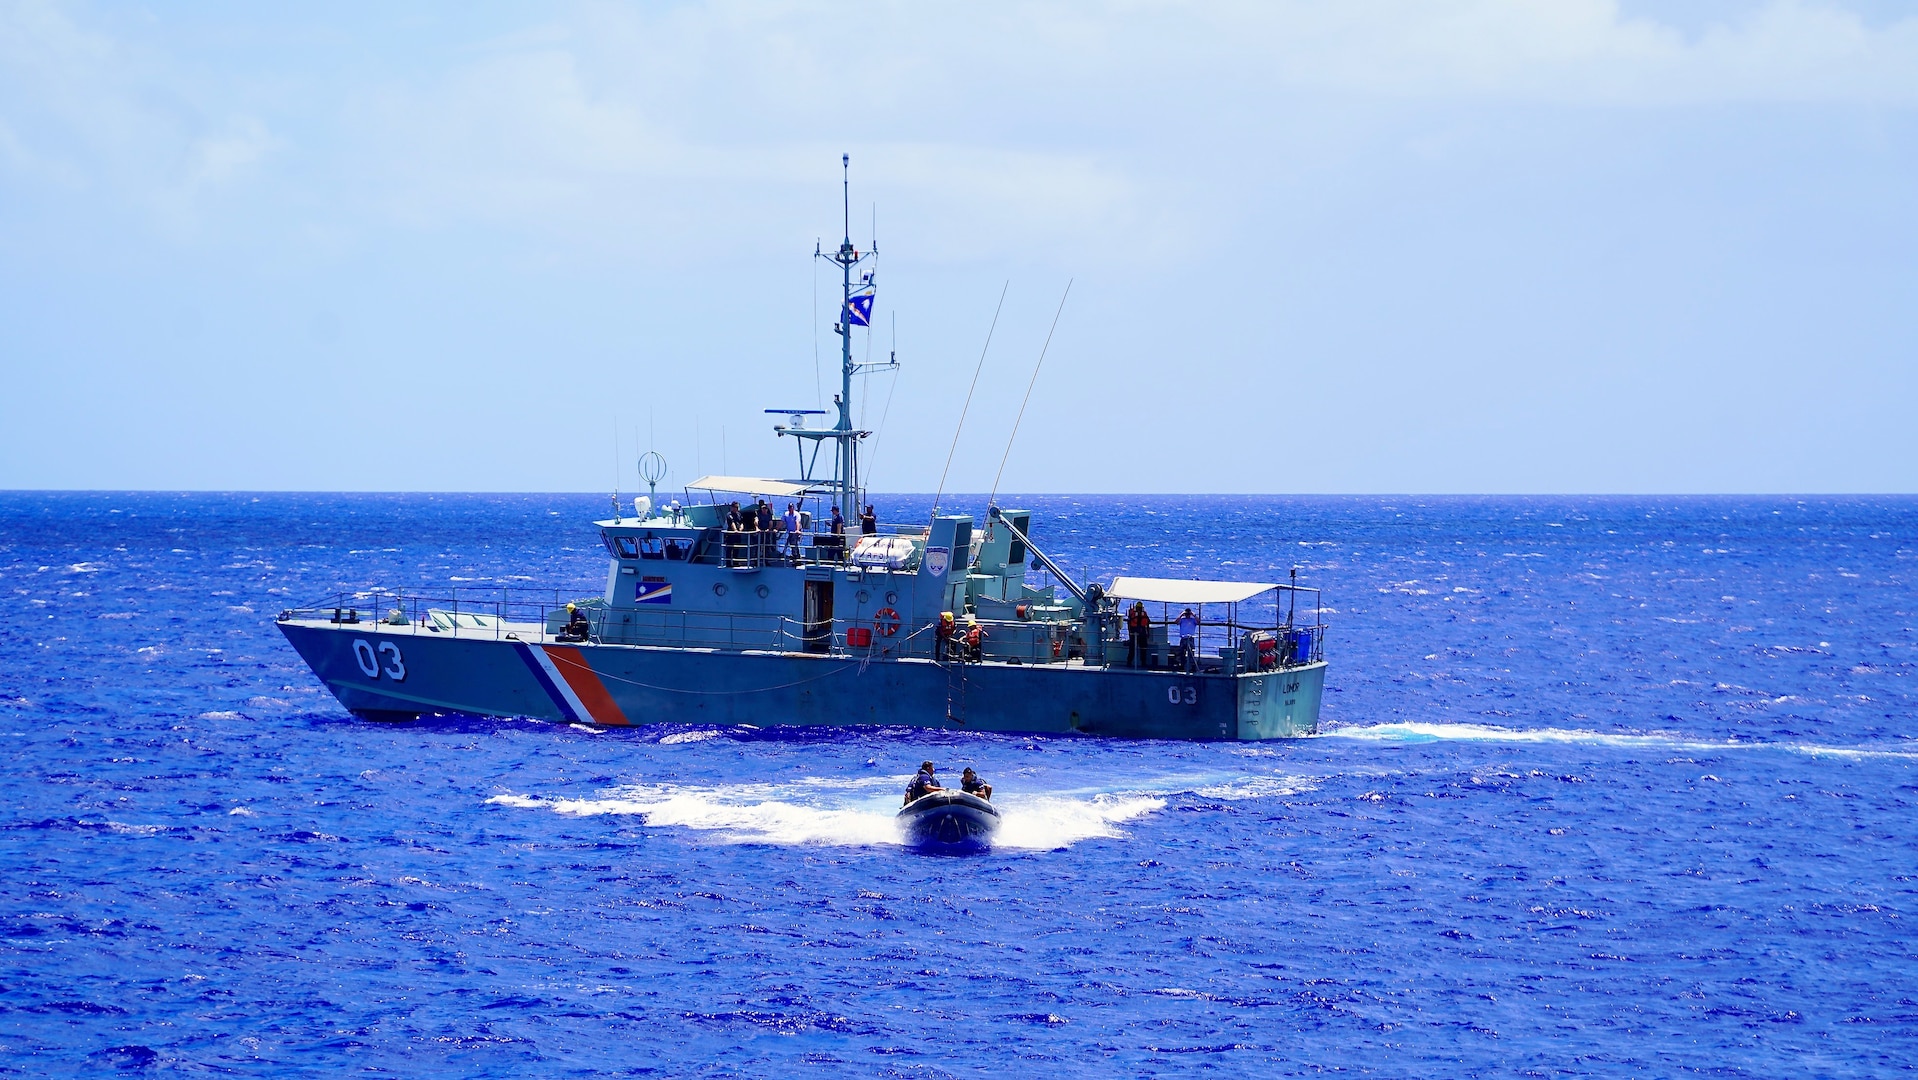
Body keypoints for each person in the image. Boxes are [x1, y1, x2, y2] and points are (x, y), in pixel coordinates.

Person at [1127, 600, 1151, 668]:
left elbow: (1148, 623)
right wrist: (1130, 633)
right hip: (1134, 633)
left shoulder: (1144, 614)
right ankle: (1129, 662)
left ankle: (1143, 662)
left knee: (1143, 649)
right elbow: (1129, 624)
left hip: (1142, 633)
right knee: (1132, 649)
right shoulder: (1133, 614)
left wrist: (1147, 632)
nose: (1139, 609)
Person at [1176, 606, 1199, 672]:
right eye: (1186, 614)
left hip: (1190, 638)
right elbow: (1176, 622)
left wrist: (1194, 615)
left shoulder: (1193, 620)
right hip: (1183, 638)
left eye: (1188, 614)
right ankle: (1182, 666)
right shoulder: (1182, 619)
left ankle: (1192, 666)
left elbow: (1198, 621)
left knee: (1191, 653)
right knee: (1181, 653)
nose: (1187, 615)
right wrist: (1181, 615)